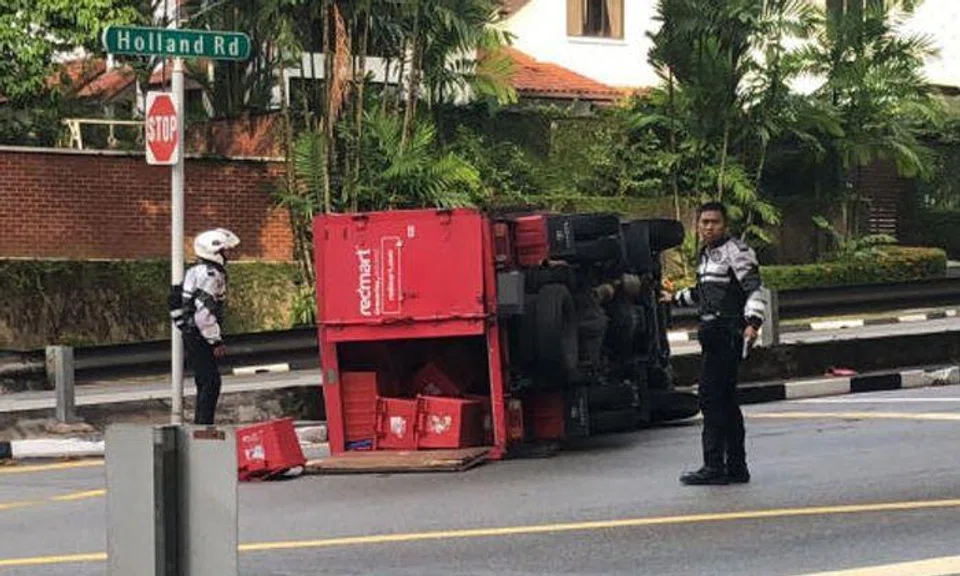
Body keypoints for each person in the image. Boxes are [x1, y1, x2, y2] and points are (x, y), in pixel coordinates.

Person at [663, 202, 766, 485]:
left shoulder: (737, 252)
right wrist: (674, 299)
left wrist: (753, 323)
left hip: (727, 331)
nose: (709, 227)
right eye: (704, 222)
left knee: (710, 398)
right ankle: (736, 466)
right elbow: (703, 292)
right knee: (727, 401)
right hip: (711, 331)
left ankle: (714, 466)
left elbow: (755, 289)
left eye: (715, 222)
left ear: (725, 225)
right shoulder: (707, 255)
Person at [169, 228, 240, 425]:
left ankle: (202, 425)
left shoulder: (196, 270)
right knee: (210, 382)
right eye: (226, 251)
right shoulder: (210, 275)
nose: (229, 255)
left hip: (192, 332)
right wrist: (215, 340)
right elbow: (204, 314)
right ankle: (203, 426)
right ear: (214, 252)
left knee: (204, 380)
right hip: (199, 334)